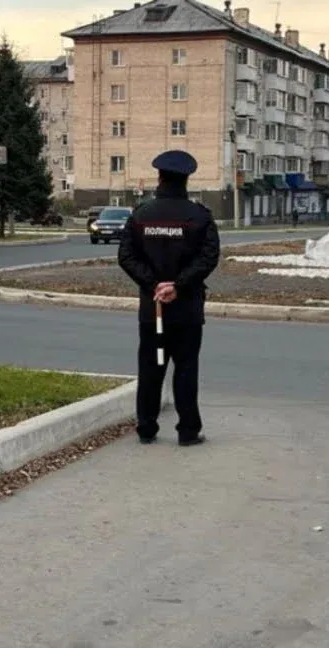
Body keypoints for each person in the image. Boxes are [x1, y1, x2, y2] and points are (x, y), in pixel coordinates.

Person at [117, 149, 220, 446]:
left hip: (154, 310)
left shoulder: (141, 215)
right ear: (187, 179)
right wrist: (178, 285)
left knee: (152, 366)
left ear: (159, 177)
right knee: (185, 369)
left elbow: (126, 256)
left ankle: (147, 428)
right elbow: (208, 257)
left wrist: (154, 286)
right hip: (186, 310)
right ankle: (188, 431)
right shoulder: (199, 216)